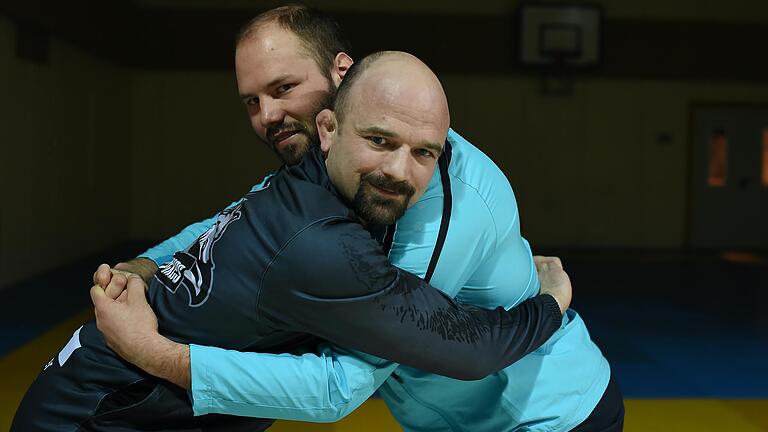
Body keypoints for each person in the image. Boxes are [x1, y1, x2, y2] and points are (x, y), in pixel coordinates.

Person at [89, 6, 623, 432]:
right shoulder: (327, 169)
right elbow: (239, 217)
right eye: (252, 100)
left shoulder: (428, 206)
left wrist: (157, 354)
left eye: (284, 88)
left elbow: (341, 386)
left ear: (341, 75)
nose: (268, 115)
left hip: (546, 417)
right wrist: (144, 265)